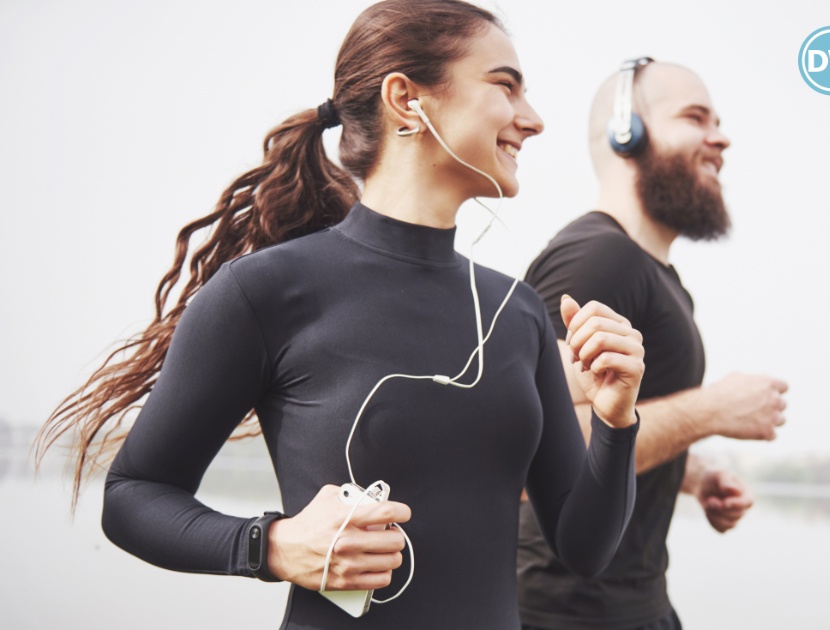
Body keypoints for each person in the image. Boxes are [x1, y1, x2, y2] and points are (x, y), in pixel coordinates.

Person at [34, 2, 646, 628]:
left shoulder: (517, 313)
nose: (534, 119)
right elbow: (132, 496)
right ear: (406, 99)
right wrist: (271, 545)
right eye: (505, 86)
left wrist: (616, 417)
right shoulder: (264, 292)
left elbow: (584, 548)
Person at [516, 59, 789, 630]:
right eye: (695, 117)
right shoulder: (599, 257)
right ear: (627, 133)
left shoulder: (657, 277)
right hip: (567, 614)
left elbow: (615, 426)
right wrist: (711, 410)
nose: (721, 138)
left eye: (718, 121)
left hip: (637, 605)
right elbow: (529, 450)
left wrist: (694, 475)